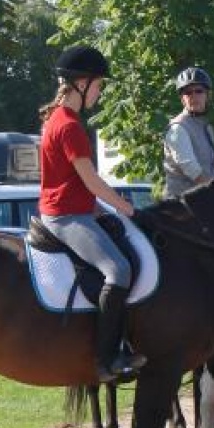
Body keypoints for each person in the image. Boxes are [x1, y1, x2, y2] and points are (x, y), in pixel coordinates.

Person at [38, 45, 144, 383]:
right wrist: (125, 207)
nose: (99, 93)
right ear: (81, 84)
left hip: (76, 210)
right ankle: (106, 359)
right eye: (98, 85)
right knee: (119, 269)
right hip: (65, 216)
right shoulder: (69, 126)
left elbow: (75, 184)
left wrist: (99, 210)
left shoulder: (60, 119)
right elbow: (91, 180)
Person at [163, 66, 214, 198]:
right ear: (182, 99)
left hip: (203, 198)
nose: (193, 96)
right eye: (188, 93)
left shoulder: (205, 125)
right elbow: (190, 168)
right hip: (181, 205)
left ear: (207, 95)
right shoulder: (178, 128)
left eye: (199, 91)